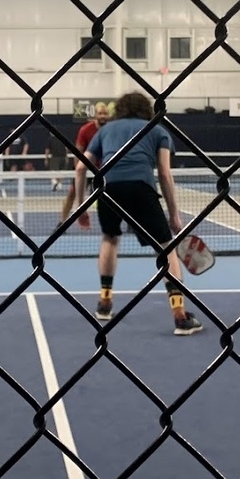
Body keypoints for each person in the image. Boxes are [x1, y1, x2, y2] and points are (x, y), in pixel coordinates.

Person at [74, 92, 202, 336]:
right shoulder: (157, 129)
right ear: (147, 109)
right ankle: (180, 315)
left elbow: (81, 168)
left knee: (110, 238)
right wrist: (174, 214)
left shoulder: (105, 131)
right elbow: (164, 173)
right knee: (166, 248)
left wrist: (80, 206)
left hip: (107, 187)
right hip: (141, 187)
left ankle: (104, 303)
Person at [59, 102, 110, 227]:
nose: (103, 116)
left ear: (109, 116)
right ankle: (62, 223)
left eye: (105, 114)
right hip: (87, 169)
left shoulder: (111, 129)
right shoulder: (85, 130)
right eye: (100, 113)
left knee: (117, 195)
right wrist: (78, 171)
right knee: (72, 194)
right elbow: (79, 150)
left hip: (106, 169)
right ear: (95, 115)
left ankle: (130, 223)